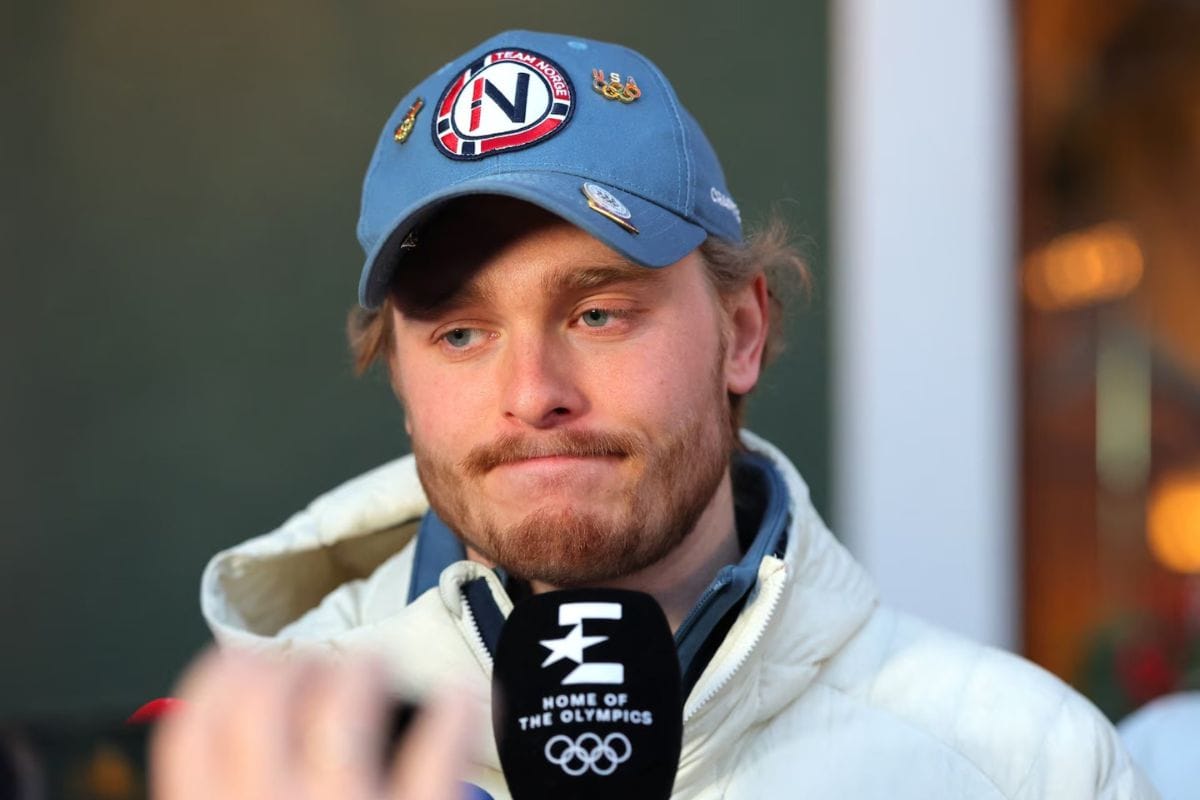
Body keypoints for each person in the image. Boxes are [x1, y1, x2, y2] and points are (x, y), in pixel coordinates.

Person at [153, 30, 1157, 799]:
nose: (533, 391)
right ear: (402, 384)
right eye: (460, 333)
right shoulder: (247, 761)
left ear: (742, 332)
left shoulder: (1022, 762)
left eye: (599, 313)